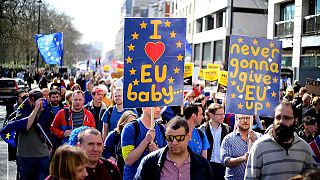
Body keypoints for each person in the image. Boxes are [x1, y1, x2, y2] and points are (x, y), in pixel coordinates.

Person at [245, 102, 315, 179]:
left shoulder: (304, 148)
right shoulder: (259, 146)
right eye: (278, 117)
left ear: (296, 120)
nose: (281, 121)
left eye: (287, 118)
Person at [134, 116, 213, 180]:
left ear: (189, 137)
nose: (174, 142)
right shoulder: (150, 162)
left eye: (179, 138)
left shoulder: (202, 164)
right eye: (170, 138)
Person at [1, 90, 52, 180]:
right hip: (25, 155)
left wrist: (50, 147)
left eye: (35, 100)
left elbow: (49, 130)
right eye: (31, 100)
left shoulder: (46, 110)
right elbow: (25, 126)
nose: (32, 102)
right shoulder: (23, 109)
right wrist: (36, 109)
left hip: (42, 155)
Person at [121, 106, 167, 180]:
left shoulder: (162, 129)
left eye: (159, 106)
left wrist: (157, 151)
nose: (158, 109)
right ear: (144, 108)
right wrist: (146, 141)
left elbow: (168, 159)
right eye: (154, 106)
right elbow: (128, 161)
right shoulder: (129, 128)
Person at [221, 114, 262, 180]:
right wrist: (243, 159)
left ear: (252, 120)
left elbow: (265, 157)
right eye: (242, 118)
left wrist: (255, 141)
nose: (245, 121)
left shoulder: (259, 137)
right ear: (236, 120)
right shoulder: (228, 139)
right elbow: (226, 161)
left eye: (248, 118)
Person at [199, 103, 230, 179]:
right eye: (219, 114)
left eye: (223, 114)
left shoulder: (227, 128)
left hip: (222, 165)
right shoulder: (202, 129)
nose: (222, 116)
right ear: (211, 115)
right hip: (208, 165)